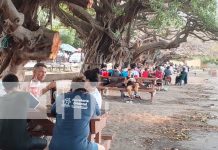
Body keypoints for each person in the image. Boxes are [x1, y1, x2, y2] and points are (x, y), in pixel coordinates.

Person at [49, 76, 105, 150]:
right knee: (102, 148)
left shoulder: (62, 97)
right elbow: (98, 113)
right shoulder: (91, 98)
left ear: (72, 86)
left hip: (55, 146)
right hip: (79, 147)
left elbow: (52, 111)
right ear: (85, 86)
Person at [0, 74, 47, 150]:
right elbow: (44, 109)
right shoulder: (25, 95)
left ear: (4, 87)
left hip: (2, 143)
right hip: (20, 144)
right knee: (45, 141)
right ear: (18, 84)